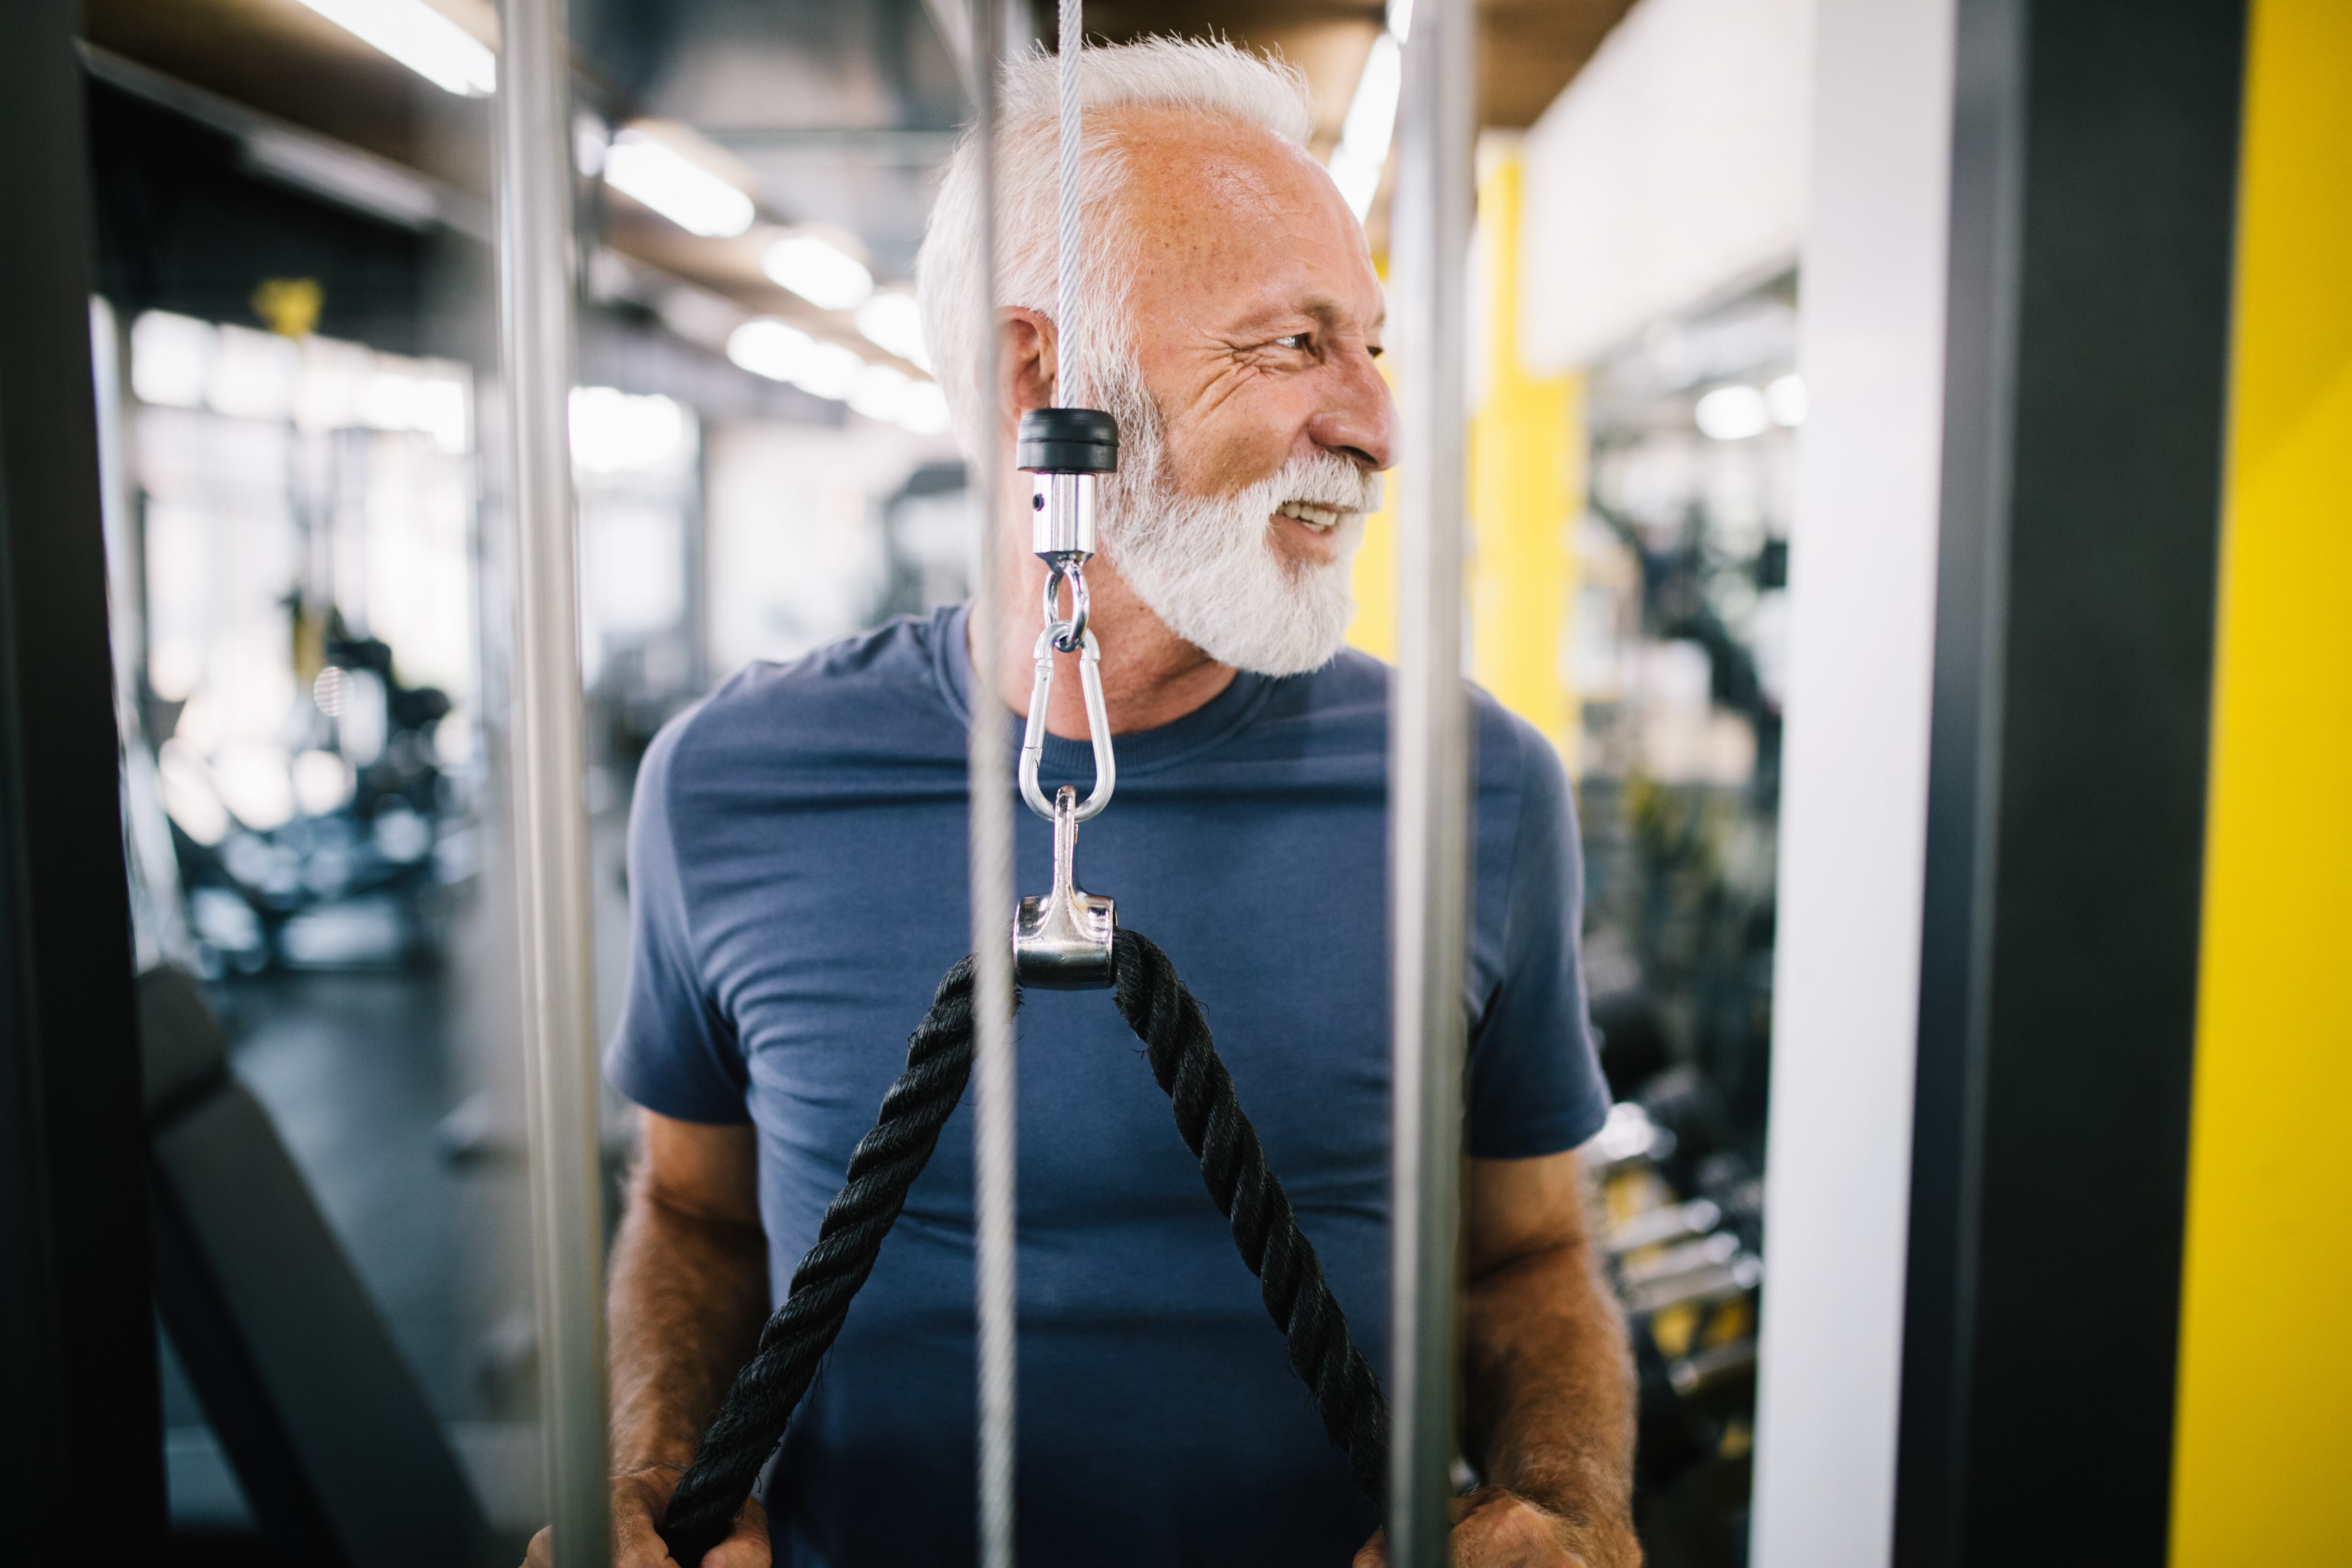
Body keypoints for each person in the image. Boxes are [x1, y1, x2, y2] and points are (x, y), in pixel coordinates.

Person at [527, 37, 1637, 1568]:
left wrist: (1568, 1503)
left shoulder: (1479, 789)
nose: (1376, 422)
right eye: (1293, 343)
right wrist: (646, 1483)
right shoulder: (728, 785)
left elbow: (1529, 1254)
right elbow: (697, 1215)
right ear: (1040, 383)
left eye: (1371, 344)